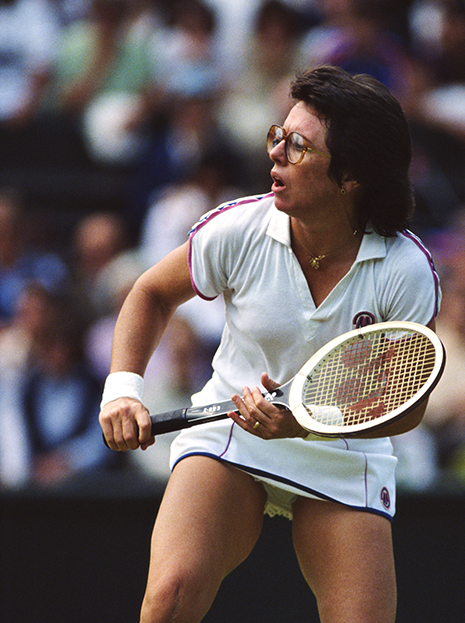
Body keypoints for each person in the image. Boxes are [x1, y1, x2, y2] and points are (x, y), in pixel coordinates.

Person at [99, 65, 441, 623]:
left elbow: (409, 406)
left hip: (341, 451)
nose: (276, 156)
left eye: (299, 146)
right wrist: (122, 390)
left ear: (351, 175)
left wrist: (306, 424)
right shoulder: (239, 229)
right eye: (276, 136)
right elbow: (151, 294)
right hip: (230, 432)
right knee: (169, 600)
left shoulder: (406, 271)